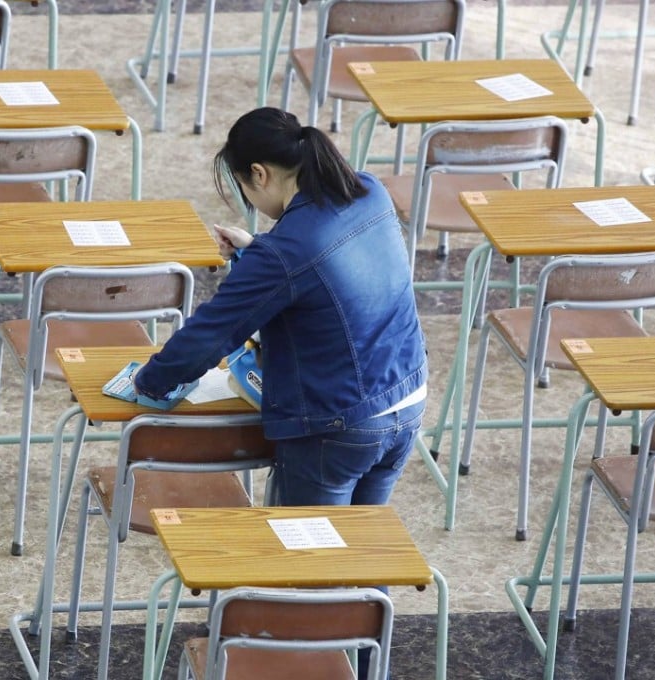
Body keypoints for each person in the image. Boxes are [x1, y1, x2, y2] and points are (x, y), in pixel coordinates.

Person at [133, 106, 427, 678]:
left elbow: (211, 333)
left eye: (243, 186)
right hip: (404, 401)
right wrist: (255, 251)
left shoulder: (284, 253)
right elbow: (330, 274)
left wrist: (148, 382)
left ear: (261, 174)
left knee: (303, 572)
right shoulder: (367, 191)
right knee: (362, 559)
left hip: (335, 424)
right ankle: (369, 668)